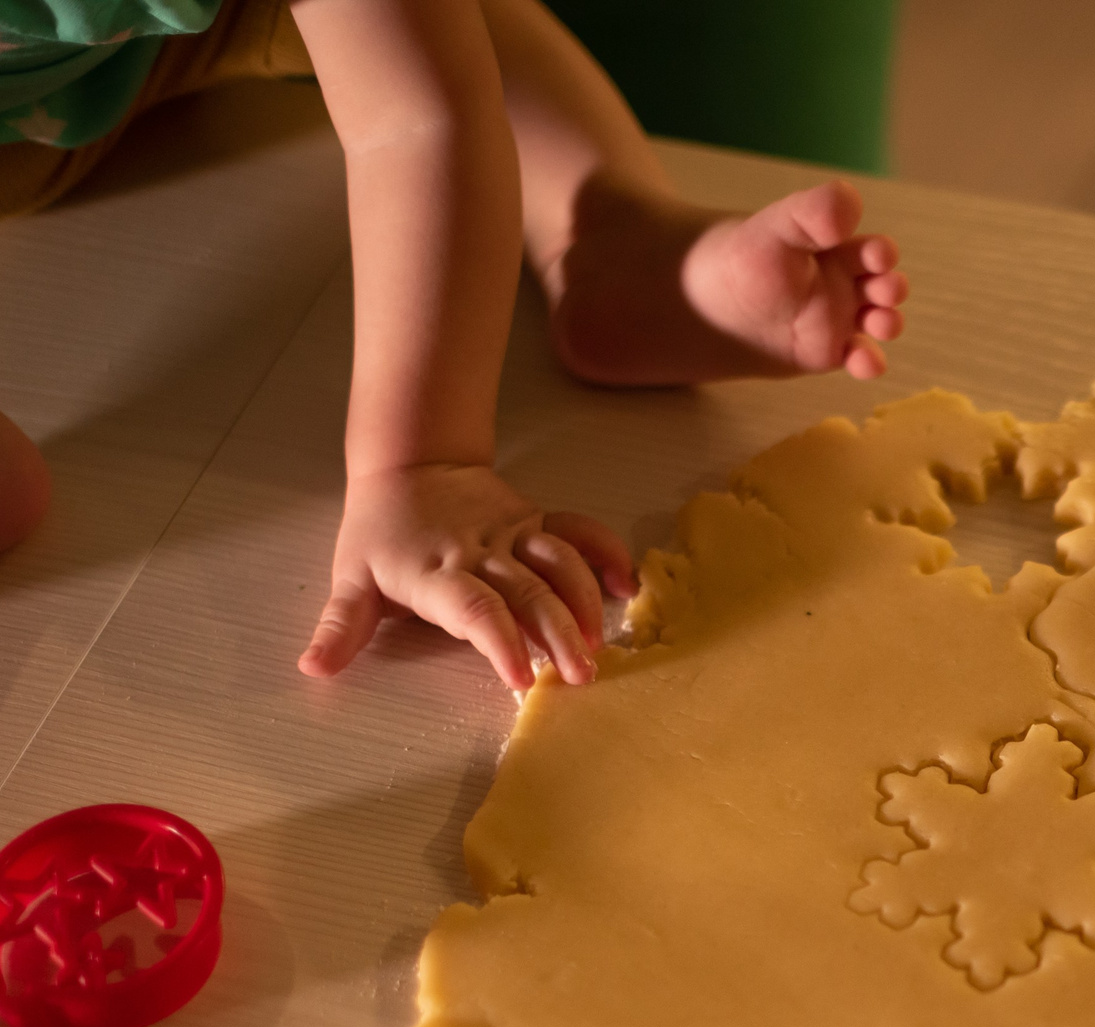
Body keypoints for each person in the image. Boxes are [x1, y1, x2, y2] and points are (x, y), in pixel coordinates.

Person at [0, 0, 908, 690]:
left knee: (462, 25)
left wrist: (420, 462)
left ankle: (608, 233)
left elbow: (418, 115)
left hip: (149, 45)